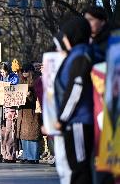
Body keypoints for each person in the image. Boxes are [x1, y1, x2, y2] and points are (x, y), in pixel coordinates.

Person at [54, 17, 96, 184]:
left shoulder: (81, 55)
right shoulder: (77, 55)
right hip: (74, 120)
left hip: (78, 120)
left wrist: (62, 118)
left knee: (80, 167)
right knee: (76, 167)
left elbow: (75, 89)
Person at [17, 64, 41, 164]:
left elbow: (38, 97)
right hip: (22, 111)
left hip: (32, 112)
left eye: (26, 71)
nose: (24, 73)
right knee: (24, 135)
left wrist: (30, 96)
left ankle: (33, 157)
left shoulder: (36, 81)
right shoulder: (21, 82)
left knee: (32, 135)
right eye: (23, 71)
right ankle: (26, 155)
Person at [0, 63, 19, 163]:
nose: (2, 74)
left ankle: (11, 155)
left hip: (11, 109)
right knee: (3, 132)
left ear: (8, 71)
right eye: (1, 72)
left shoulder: (14, 78)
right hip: (2, 109)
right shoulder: (1, 78)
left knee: (10, 132)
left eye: (4, 72)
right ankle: (4, 154)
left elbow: (15, 89)